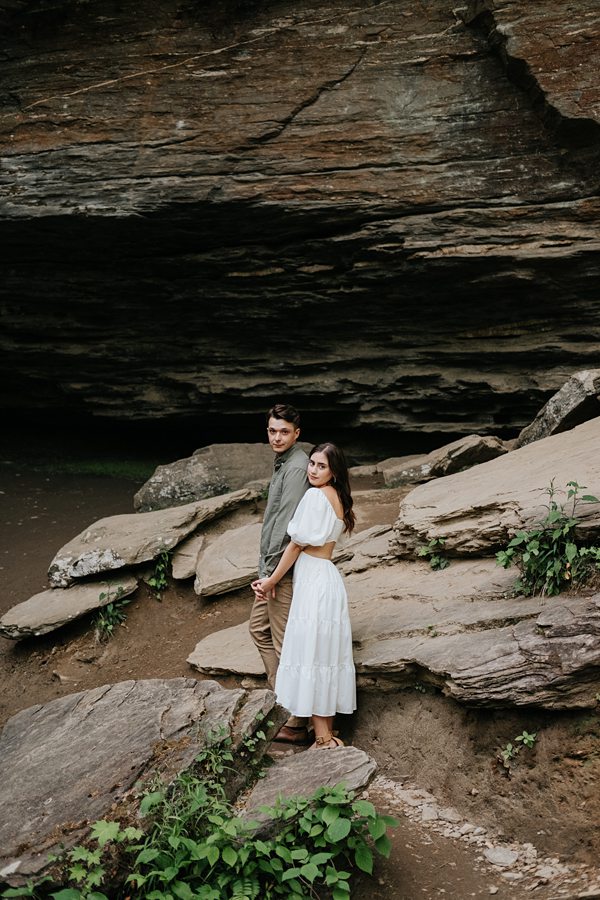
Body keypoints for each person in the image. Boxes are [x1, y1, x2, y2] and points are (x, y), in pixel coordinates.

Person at [251, 442, 356, 749]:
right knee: (324, 656)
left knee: (313, 656)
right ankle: (325, 734)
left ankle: (323, 739)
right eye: (311, 463)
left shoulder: (314, 496)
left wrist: (271, 580)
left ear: (334, 471)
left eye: (321, 466)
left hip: (314, 582)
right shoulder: (337, 498)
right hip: (328, 578)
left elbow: (295, 545)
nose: (312, 470)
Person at [249, 403, 310, 743]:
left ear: (296, 433)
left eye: (284, 431)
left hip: (281, 570)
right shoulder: (283, 462)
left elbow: (285, 526)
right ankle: (282, 697)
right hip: (270, 569)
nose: (276, 436)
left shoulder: (297, 468)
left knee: (285, 643)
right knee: (258, 629)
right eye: (272, 430)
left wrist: (270, 575)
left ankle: (296, 720)